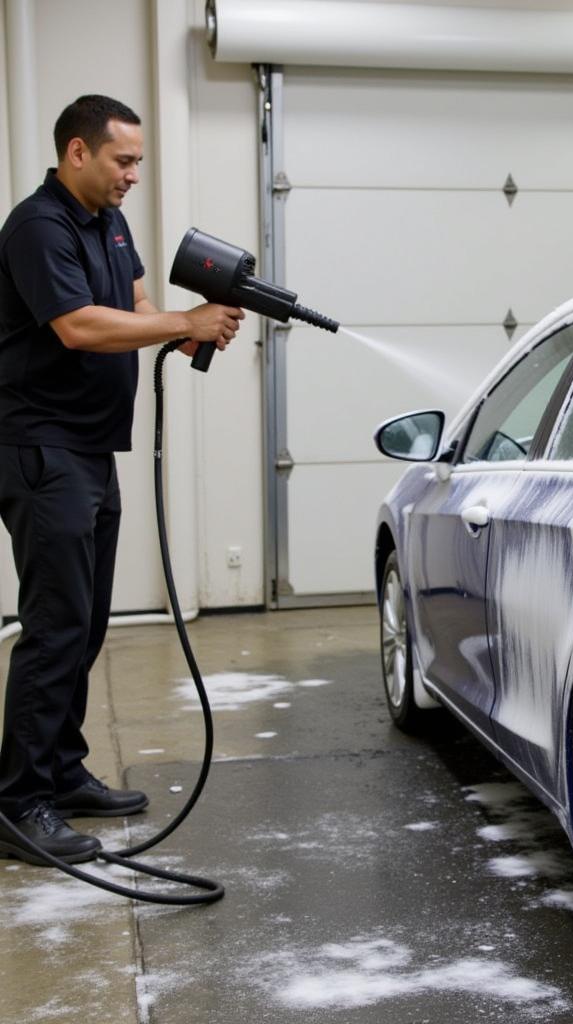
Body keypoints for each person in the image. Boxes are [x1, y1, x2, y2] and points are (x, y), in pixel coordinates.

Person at [0, 95, 243, 866]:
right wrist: (184, 324)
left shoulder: (109, 220)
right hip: (42, 448)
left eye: (137, 161)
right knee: (57, 624)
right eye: (123, 160)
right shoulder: (38, 227)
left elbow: (131, 302)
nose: (134, 174)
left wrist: (187, 319)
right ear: (78, 152)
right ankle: (19, 804)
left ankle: (60, 772)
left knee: (89, 620)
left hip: (92, 450)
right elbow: (78, 325)